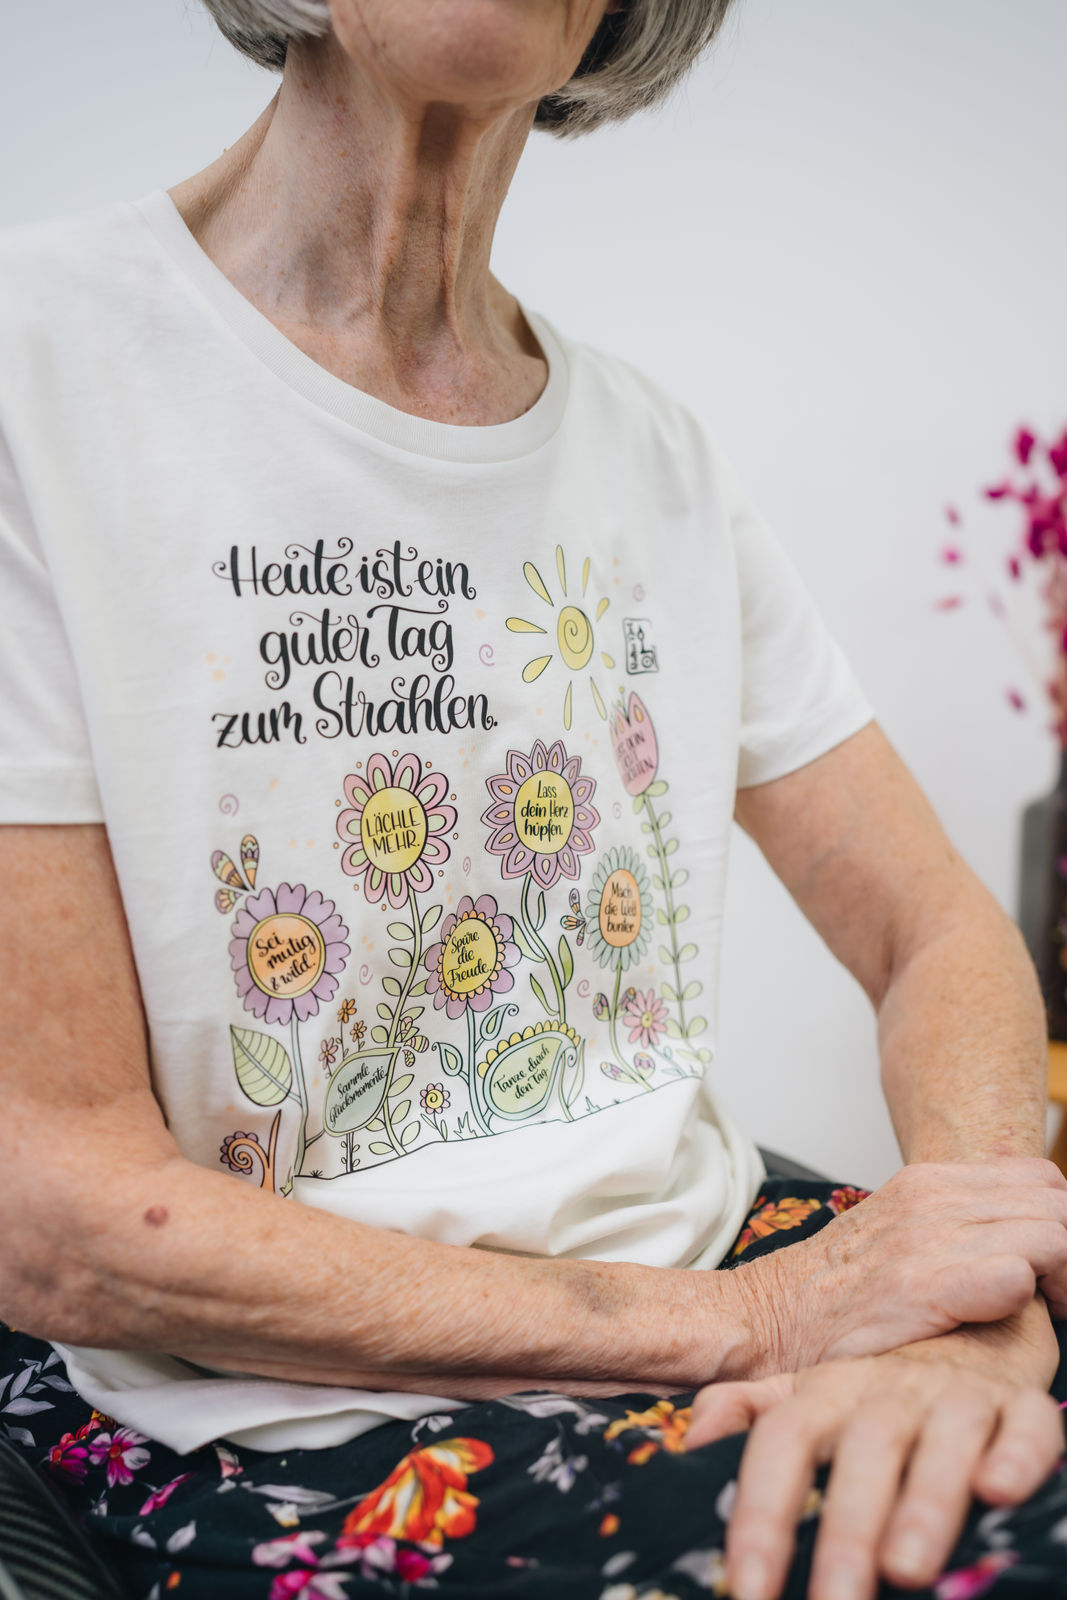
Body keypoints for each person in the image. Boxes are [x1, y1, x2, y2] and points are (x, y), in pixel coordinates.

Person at [1, 3, 1066, 1597]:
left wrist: (959, 1323)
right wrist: (764, 1322)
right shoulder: (34, 367)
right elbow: (60, 1213)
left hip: (730, 1272)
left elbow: (936, 930)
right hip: (303, 1420)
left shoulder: (656, 454)